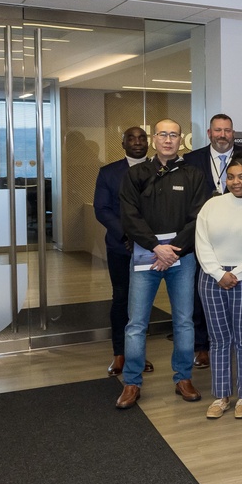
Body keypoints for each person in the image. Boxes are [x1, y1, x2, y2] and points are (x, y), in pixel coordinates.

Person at [116, 119, 209, 409]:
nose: (168, 139)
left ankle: (183, 377)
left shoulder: (194, 174)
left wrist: (174, 251)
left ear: (181, 139)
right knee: (136, 323)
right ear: (154, 139)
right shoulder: (136, 174)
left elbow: (199, 217)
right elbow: (129, 215)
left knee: (183, 321)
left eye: (173, 135)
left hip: (183, 258)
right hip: (145, 256)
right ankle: (131, 382)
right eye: (163, 134)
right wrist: (156, 247)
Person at [194, 153, 242, 420]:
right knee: (218, 340)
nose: (236, 182)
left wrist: (236, 274)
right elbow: (202, 244)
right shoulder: (212, 206)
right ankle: (221, 396)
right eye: (231, 176)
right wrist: (218, 273)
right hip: (212, 279)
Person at [184, 113, 242, 369]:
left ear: (232, 132)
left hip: (239, 233)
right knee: (201, 295)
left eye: (227, 130)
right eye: (218, 130)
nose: (222, 135)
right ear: (209, 133)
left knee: (241, 308)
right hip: (204, 231)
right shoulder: (192, 159)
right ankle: (202, 346)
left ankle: (239, 345)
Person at [93, 125, 153, 377]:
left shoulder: (160, 169)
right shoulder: (108, 173)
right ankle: (119, 354)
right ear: (123, 143)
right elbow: (102, 209)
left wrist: (146, 237)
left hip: (152, 248)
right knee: (122, 299)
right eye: (132, 138)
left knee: (144, 303)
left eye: (142, 138)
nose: (137, 142)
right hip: (121, 248)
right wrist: (127, 233)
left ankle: (138, 355)